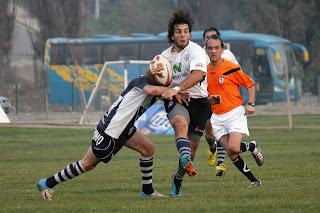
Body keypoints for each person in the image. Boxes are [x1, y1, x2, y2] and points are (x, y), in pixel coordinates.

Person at [36, 69, 190, 200]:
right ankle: (48, 183)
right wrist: (173, 90)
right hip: (111, 130)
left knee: (148, 149)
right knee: (87, 164)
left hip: (123, 128)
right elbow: (153, 91)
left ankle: (147, 192)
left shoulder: (154, 84)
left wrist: (178, 91)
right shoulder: (141, 83)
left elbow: (163, 91)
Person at [161, 9, 211, 197]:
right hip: (178, 100)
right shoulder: (164, 57)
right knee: (180, 123)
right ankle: (184, 156)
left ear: (189, 33)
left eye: (186, 31)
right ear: (172, 35)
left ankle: (177, 180)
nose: (183, 35)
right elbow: (157, 83)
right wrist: (174, 92)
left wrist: (176, 88)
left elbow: (198, 75)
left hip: (199, 102)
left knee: (192, 151)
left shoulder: (196, 50)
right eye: (178, 31)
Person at [206, 34, 264, 187]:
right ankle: (255, 181)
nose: (213, 51)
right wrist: (210, 99)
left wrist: (251, 104)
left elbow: (250, 83)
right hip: (217, 118)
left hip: (234, 113)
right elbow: (204, 95)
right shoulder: (204, 71)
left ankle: (252, 146)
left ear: (222, 49)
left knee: (233, 147)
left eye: (216, 48)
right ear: (206, 50)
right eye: (210, 48)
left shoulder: (230, 67)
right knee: (232, 154)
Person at [202, 26, 239, 177]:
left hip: (223, 100)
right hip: (205, 98)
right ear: (204, 41)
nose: (210, 39)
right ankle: (212, 149)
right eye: (207, 37)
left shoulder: (228, 55)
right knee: (210, 134)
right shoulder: (199, 55)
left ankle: (221, 163)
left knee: (222, 131)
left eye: (214, 36)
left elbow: (238, 73)